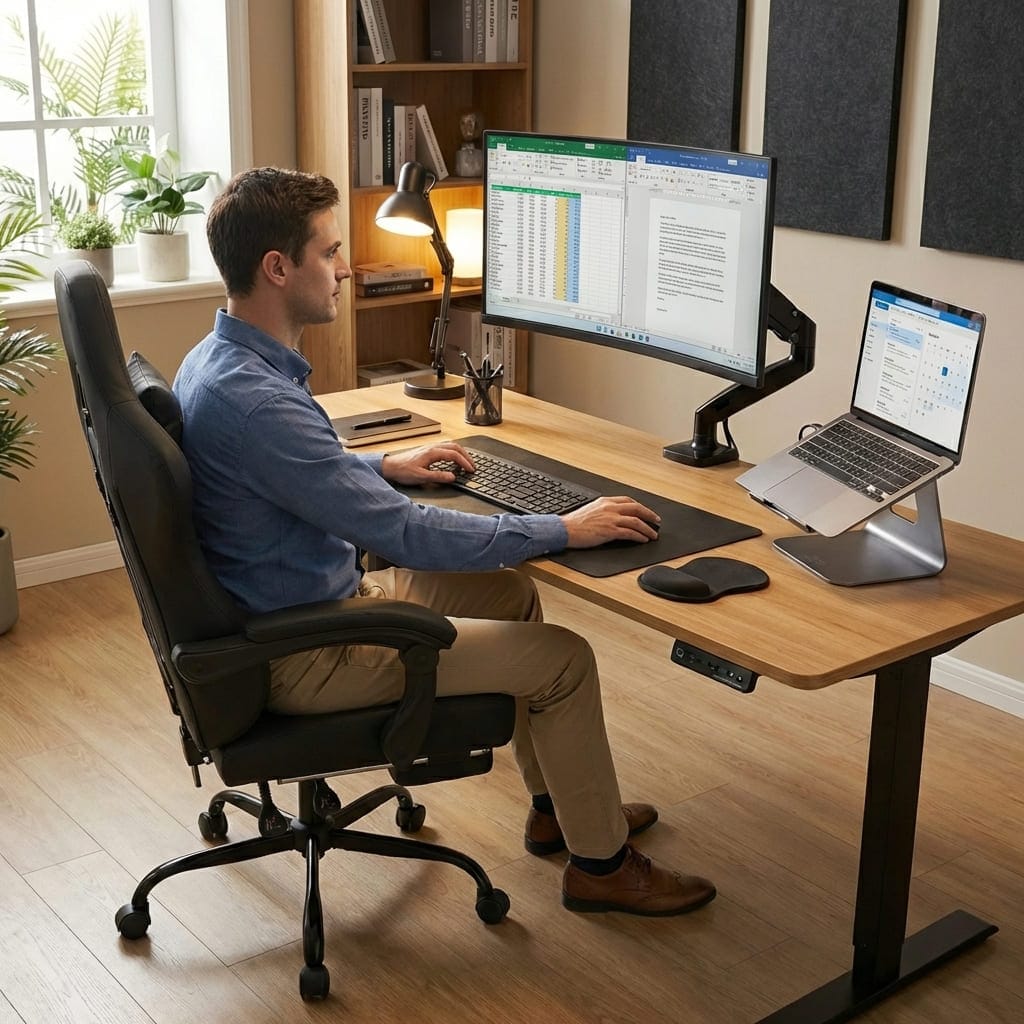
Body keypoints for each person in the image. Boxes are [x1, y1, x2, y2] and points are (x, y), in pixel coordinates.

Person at [173, 166, 716, 917]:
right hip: (304, 652)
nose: (344, 268)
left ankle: (560, 806)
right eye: (328, 252)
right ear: (277, 268)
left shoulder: (217, 361)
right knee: (565, 659)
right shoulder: (257, 398)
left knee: (507, 595)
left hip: (290, 613)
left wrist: (385, 464)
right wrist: (561, 527)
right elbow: (405, 535)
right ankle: (602, 866)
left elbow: (293, 474)